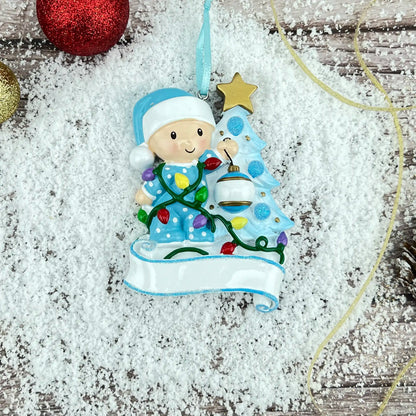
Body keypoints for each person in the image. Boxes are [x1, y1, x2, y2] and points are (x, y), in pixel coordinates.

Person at [131, 88, 238, 243]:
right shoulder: (165, 171)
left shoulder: (199, 164)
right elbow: (157, 184)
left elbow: (211, 161)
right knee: (165, 220)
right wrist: (147, 194)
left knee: (197, 221)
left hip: (194, 207)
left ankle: (198, 236)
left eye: (199, 132)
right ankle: (166, 234)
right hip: (168, 207)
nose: (188, 142)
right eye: (173, 135)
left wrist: (223, 152)